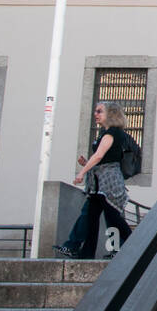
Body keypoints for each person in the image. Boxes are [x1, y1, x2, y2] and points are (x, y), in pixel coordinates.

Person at [53, 102, 132, 259]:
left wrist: (81, 172)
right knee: (90, 216)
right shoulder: (106, 133)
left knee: (112, 218)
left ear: (110, 114)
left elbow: (99, 156)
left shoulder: (112, 134)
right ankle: (80, 249)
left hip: (107, 184)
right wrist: (86, 164)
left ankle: (129, 245)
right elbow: (101, 158)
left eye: (99, 111)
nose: (96, 114)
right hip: (99, 183)